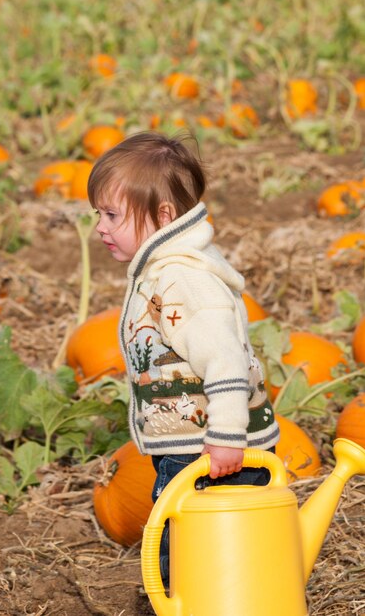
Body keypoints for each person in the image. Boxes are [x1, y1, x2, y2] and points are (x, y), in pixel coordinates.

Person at [88, 131, 280, 587]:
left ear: (164, 216)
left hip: (211, 452)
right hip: (195, 447)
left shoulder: (183, 280)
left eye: (112, 214)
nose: (99, 226)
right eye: (98, 213)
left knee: (193, 557)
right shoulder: (163, 269)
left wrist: (228, 437)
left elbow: (225, 361)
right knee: (205, 551)